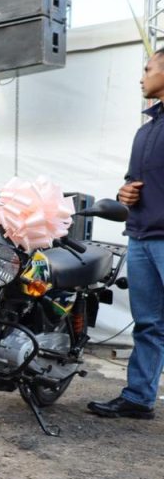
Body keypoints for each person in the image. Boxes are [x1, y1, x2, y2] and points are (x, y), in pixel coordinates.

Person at [88, 49, 164, 420]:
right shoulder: (145, 129)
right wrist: (124, 194)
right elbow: (131, 181)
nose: (141, 77)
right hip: (140, 238)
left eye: (147, 69)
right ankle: (138, 398)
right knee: (148, 324)